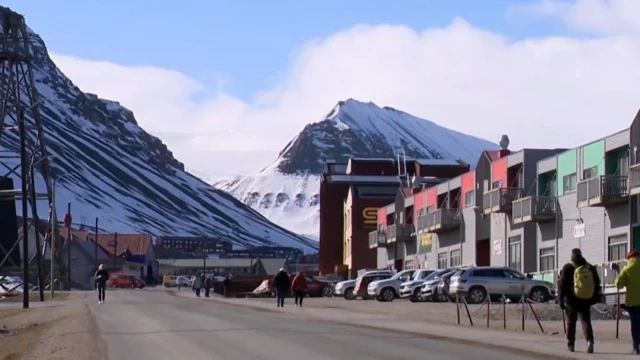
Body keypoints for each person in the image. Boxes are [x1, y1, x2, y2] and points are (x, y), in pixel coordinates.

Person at [558, 248, 601, 353]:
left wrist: (560, 300)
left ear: (571, 256)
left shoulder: (568, 267)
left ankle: (571, 344)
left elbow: (562, 285)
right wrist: (593, 297)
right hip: (585, 299)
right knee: (586, 321)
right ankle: (590, 342)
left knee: (571, 322)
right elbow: (597, 283)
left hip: (571, 301)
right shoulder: (590, 267)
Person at [614, 250, 640, 354]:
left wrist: (619, 272)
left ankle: (636, 348)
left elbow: (618, 285)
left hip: (633, 302)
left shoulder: (627, 269)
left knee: (635, 325)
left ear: (628, 259)